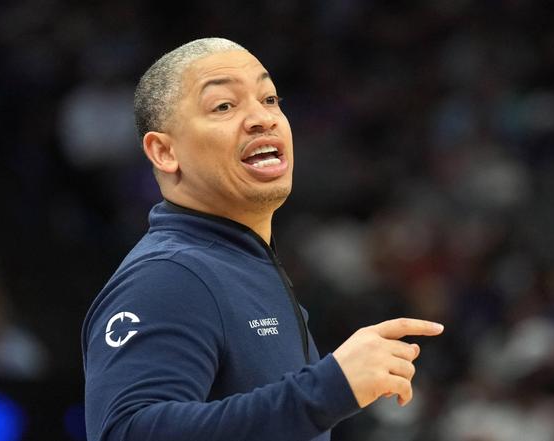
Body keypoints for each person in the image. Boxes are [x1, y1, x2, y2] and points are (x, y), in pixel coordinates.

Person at [81, 37, 444, 441]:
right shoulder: (168, 276)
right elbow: (126, 432)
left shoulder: (242, 265)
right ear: (165, 152)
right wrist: (327, 390)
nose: (261, 118)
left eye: (270, 99)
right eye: (223, 105)